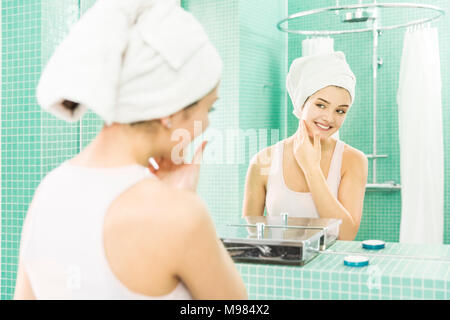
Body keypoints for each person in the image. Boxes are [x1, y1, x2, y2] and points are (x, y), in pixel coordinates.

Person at [14, 0, 247, 299]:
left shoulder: (46, 193)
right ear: (170, 111)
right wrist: (182, 201)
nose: (206, 124)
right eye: (208, 109)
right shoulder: (181, 215)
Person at [242, 51, 368, 241]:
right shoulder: (263, 161)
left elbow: (346, 235)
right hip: (278, 268)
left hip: (330, 270)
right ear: (302, 103)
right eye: (321, 105)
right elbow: (252, 233)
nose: (329, 118)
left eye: (340, 111)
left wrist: (311, 168)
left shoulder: (353, 160)